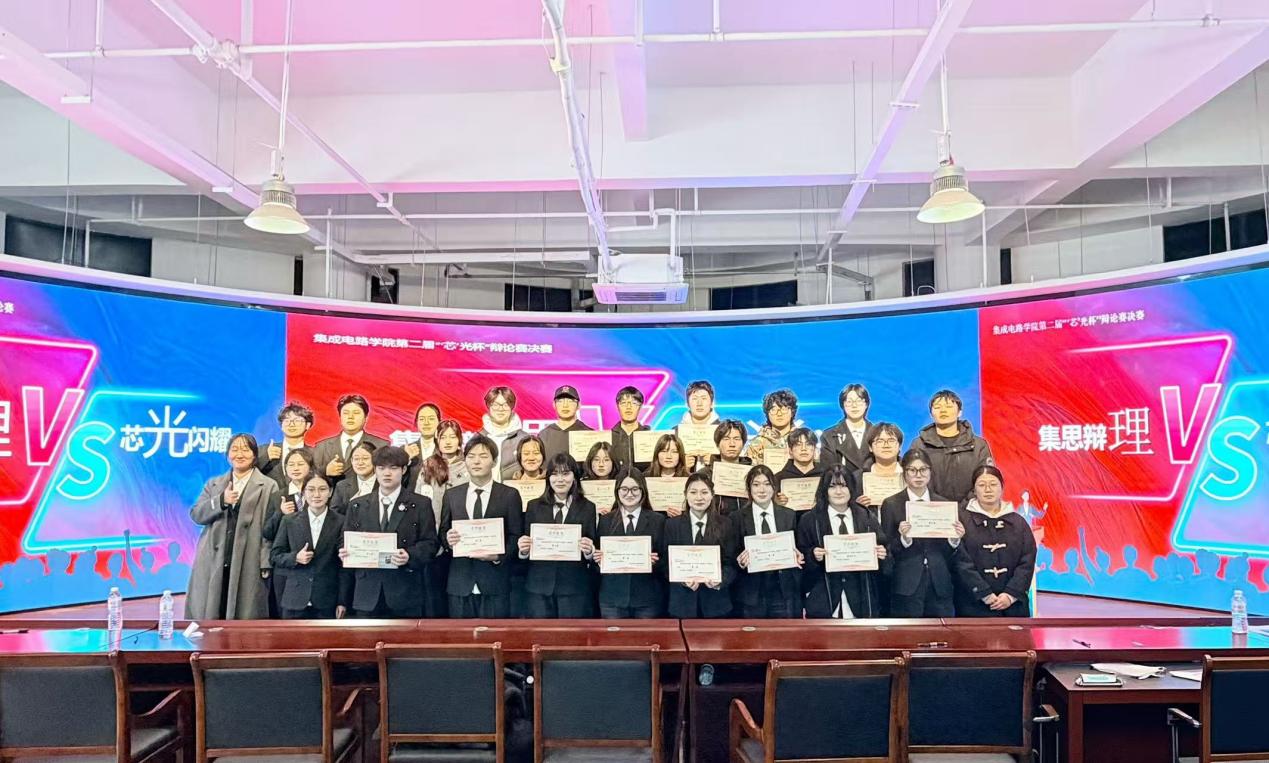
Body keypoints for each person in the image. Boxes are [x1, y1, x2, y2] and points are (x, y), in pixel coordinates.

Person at [185, 433, 279, 620]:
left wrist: (265, 560)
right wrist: (221, 500)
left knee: (245, 608)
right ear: (228, 455)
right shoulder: (214, 484)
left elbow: (271, 528)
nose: (239, 454)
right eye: (234, 449)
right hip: (214, 556)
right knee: (212, 608)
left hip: (249, 556)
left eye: (245, 450)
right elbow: (196, 514)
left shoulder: (268, 486)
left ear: (254, 455)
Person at [339, 446, 438, 618]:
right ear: (375, 470)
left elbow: (430, 543)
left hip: (405, 591)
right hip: (367, 594)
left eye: (393, 468)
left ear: (404, 470)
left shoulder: (420, 504)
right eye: (381, 468)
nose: (387, 473)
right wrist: (344, 551)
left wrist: (409, 555)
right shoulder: (357, 504)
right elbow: (344, 540)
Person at [441, 435, 524, 618]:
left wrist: (498, 556)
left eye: (483, 456)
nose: (476, 461)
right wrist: (448, 539)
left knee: (496, 634)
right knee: (461, 634)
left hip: (495, 582)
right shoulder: (452, 495)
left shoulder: (509, 495)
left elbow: (516, 536)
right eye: (471, 456)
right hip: (460, 583)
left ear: (494, 461)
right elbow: (443, 532)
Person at [796, 465, 889, 619]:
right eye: (832, 486)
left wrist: (882, 554)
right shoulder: (810, 520)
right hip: (824, 598)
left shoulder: (866, 516)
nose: (838, 492)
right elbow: (801, 557)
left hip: (861, 599)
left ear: (851, 488)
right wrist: (813, 555)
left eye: (843, 486)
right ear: (824, 490)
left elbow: (885, 550)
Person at [880, 449, 963, 617]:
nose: (918, 475)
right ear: (904, 473)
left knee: (941, 632)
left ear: (930, 472)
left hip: (939, 582)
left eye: (923, 469)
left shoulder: (943, 504)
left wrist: (954, 540)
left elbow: (950, 553)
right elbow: (886, 548)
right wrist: (904, 539)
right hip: (906, 584)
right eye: (912, 470)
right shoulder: (891, 504)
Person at [517, 453, 598, 618]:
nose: (560, 479)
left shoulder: (588, 507)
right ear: (548, 478)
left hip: (574, 587)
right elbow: (526, 547)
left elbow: (592, 546)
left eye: (566, 473)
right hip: (538, 587)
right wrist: (523, 550)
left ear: (575, 477)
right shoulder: (534, 506)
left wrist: (589, 551)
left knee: (572, 634)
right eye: (555, 474)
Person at [953, 465, 1035, 618]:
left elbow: (1027, 561)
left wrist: (1010, 594)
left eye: (993, 484)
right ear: (974, 490)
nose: (988, 490)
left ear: (1002, 487)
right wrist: (983, 592)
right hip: (972, 604)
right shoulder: (961, 521)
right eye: (982, 485)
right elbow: (960, 561)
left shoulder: (1018, 522)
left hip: (1013, 606)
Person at [408, 419, 465, 618]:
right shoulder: (428, 466)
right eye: (443, 437)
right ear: (437, 440)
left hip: (460, 537)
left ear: (460, 440)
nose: (448, 442)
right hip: (433, 535)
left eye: (453, 437)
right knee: (434, 593)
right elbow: (418, 502)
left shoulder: (468, 465)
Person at [270, 475, 346, 619]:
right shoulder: (289, 520)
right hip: (295, 598)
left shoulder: (341, 522)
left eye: (322, 489)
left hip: (327, 599)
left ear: (330, 492)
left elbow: (343, 566)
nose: (316, 495)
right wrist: (295, 557)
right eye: (311, 489)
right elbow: (275, 555)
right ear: (303, 493)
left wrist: (342, 601)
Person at [594, 468, 666, 618]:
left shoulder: (658, 520)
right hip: (612, 598)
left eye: (634, 489)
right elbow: (595, 561)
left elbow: (666, 559)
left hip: (647, 598)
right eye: (624, 489)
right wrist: (598, 560)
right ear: (617, 491)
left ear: (643, 490)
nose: (629, 494)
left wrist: (655, 562)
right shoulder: (605, 520)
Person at [663, 473, 738, 619]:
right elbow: (665, 563)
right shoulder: (672, 525)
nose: (699, 497)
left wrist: (720, 580)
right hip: (682, 604)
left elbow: (731, 563)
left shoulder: (725, 524)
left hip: (716, 603)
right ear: (685, 495)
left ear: (712, 495)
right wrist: (682, 580)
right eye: (693, 492)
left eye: (704, 492)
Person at [735, 465, 803, 618]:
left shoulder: (789, 515)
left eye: (767, 484)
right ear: (749, 489)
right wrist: (739, 561)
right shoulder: (737, 518)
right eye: (756, 484)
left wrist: (798, 556)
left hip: (783, 590)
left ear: (774, 487)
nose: (762, 490)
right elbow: (731, 555)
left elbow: (799, 547)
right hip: (751, 591)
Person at [262, 448, 316, 617]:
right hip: (286, 567)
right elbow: (267, 532)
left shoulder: (318, 493)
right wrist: (280, 513)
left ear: (310, 467)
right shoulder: (278, 496)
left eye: (300, 464)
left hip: (314, 566)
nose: (295, 468)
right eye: (291, 464)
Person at [916, 389, 994, 504]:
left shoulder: (979, 445)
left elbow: (986, 479)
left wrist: (965, 507)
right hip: (930, 509)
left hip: (971, 509)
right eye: (937, 407)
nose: (943, 410)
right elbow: (914, 479)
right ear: (931, 414)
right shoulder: (919, 445)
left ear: (959, 412)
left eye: (948, 406)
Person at [312, 394, 389, 481]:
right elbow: (310, 478)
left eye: (356, 413)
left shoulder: (381, 446)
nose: (350, 417)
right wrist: (325, 472)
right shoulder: (322, 447)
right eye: (346, 413)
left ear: (366, 417)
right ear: (340, 417)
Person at [852, 423, 905, 524]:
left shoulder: (911, 475)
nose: (886, 445)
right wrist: (857, 507)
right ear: (870, 447)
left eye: (891, 440)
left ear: (899, 446)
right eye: (880, 441)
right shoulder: (857, 478)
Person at [698, 420, 751, 516]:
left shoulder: (752, 474)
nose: (732, 444)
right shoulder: (703, 475)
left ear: (743, 443)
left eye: (737, 439)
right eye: (726, 439)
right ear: (717, 444)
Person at [258, 403, 315, 489]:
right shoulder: (264, 450)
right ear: (281, 425)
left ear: (307, 425)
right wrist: (266, 458)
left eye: (297, 420)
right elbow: (249, 475)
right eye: (287, 421)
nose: (291, 424)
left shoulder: (315, 453)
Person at [819, 384, 874, 473]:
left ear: (866, 404)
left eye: (859, 401)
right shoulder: (829, 436)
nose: (854, 405)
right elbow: (828, 471)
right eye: (849, 401)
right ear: (843, 405)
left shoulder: (877, 434)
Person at [479, 386, 529, 482]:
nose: (500, 409)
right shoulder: (478, 438)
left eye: (505, 404)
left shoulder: (524, 439)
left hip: (514, 489)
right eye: (495, 404)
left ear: (512, 406)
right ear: (488, 406)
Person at [539, 385, 593, 464]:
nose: (565, 405)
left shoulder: (589, 434)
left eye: (570, 401)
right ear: (554, 404)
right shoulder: (544, 435)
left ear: (579, 405)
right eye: (560, 401)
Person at [745, 389, 798, 462]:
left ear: (792, 412)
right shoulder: (757, 443)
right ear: (767, 414)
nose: (779, 414)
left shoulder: (802, 440)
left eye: (784, 409)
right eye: (773, 410)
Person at [775, 427, 824, 501]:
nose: (803, 448)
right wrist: (777, 502)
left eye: (808, 444)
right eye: (798, 444)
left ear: (815, 449)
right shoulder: (778, 479)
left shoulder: (825, 476)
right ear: (790, 450)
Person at [330, 441, 378, 515]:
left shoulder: (384, 484)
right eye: (356, 459)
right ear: (351, 461)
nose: (360, 463)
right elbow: (334, 515)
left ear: (375, 460)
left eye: (365, 458)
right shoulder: (342, 486)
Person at [610, 386, 650, 471]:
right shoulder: (609, 437)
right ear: (617, 406)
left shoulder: (649, 436)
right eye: (624, 403)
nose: (628, 407)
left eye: (634, 403)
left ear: (640, 407)